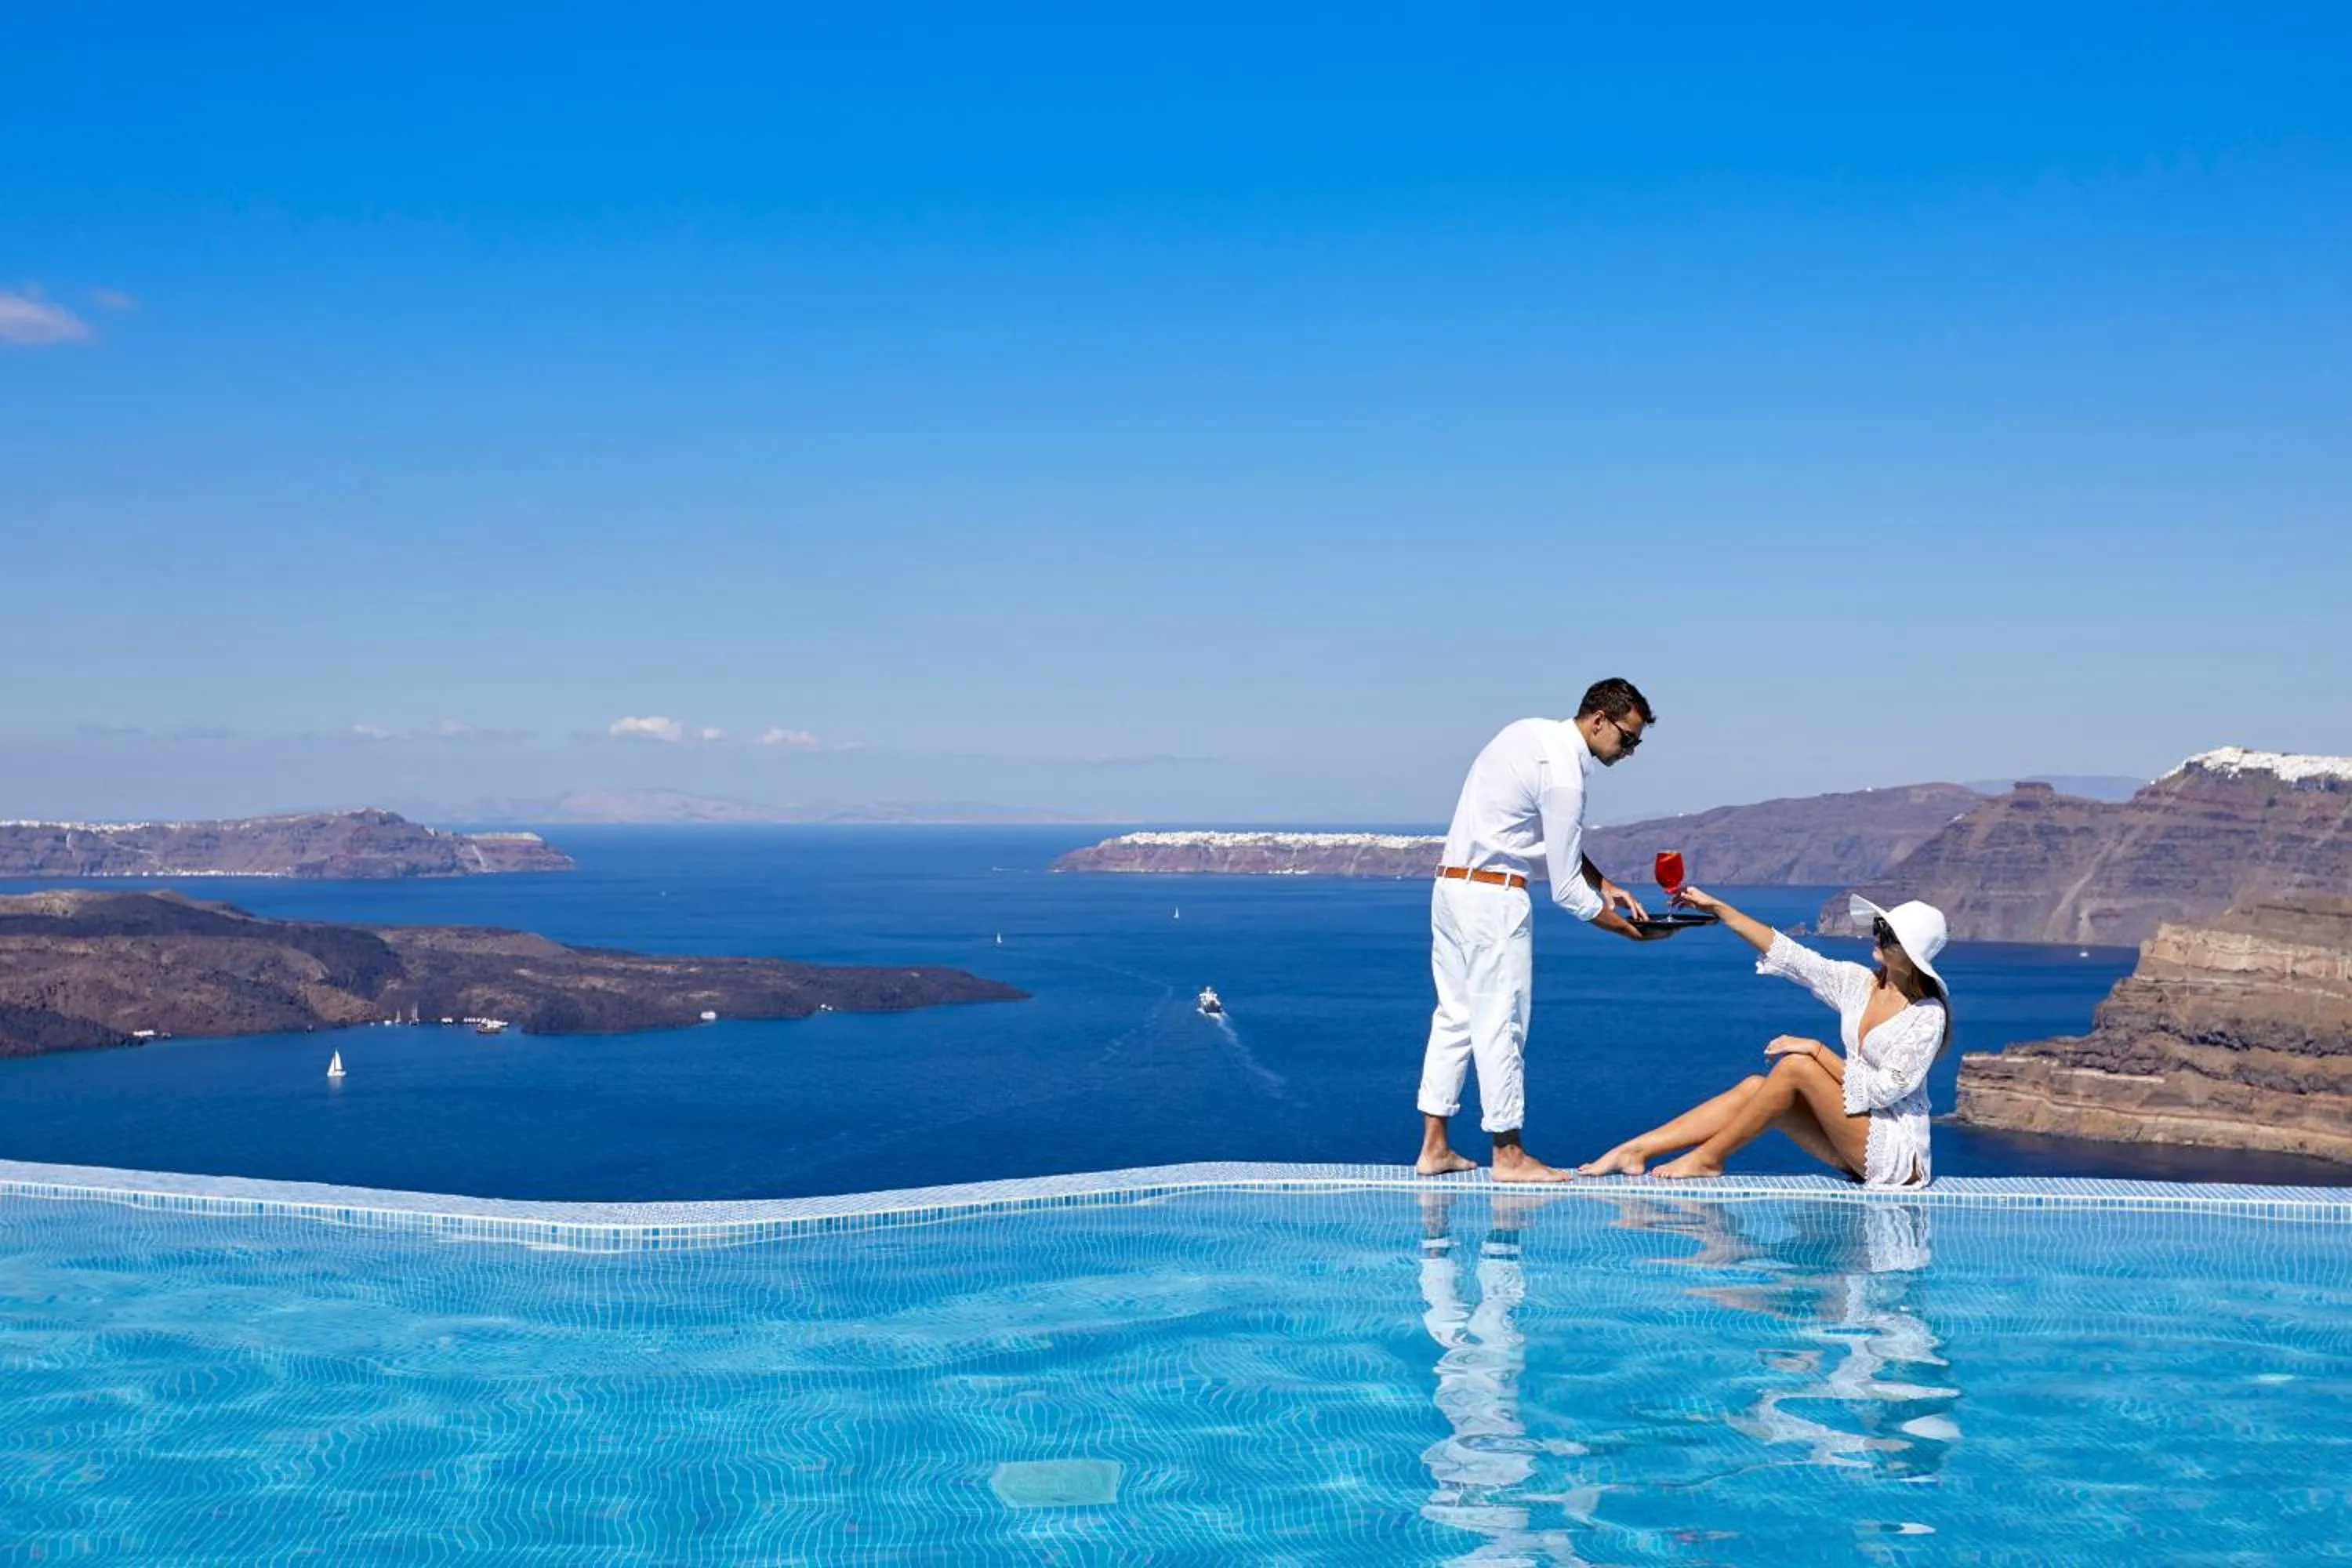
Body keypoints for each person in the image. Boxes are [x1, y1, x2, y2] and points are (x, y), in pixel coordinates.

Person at [1415, 678, 1662, 1184]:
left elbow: (1548, 835)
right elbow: (1567, 890)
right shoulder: (1568, 775)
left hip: (1451, 890)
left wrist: (1605, 882)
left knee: (1454, 1017)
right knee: (1502, 1023)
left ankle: (1434, 1147)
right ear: (1599, 720)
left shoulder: (1526, 733)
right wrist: (1630, 932)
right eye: (1628, 738)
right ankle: (1508, 1155)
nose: (1630, 751)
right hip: (1495, 902)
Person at [1578, 889, 1952, 1185]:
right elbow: (1793, 957)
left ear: (1911, 954)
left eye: (1888, 934)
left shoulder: (1927, 1015)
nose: (1877, 935)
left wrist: (1815, 1049)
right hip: (1852, 1134)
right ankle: (1635, 1150)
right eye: (1879, 927)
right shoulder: (1861, 984)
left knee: (1797, 1069)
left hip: (1896, 1155)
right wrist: (1722, 910)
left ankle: (1708, 1159)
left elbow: (1884, 1091)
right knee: (1757, 1087)